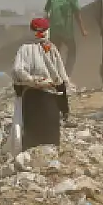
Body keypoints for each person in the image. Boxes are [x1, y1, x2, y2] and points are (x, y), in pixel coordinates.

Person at [13, 17, 70, 150]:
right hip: (49, 97)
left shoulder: (25, 49)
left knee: (33, 134)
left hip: (31, 97)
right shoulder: (49, 48)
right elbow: (60, 77)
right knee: (50, 135)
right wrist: (64, 107)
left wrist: (30, 81)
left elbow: (17, 72)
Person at [43, 0, 88, 72]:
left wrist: (44, 31)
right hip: (66, 30)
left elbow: (46, 14)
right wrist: (83, 30)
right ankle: (67, 73)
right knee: (72, 50)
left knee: (54, 53)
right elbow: (77, 13)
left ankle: (54, 74)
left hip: (54, 29)